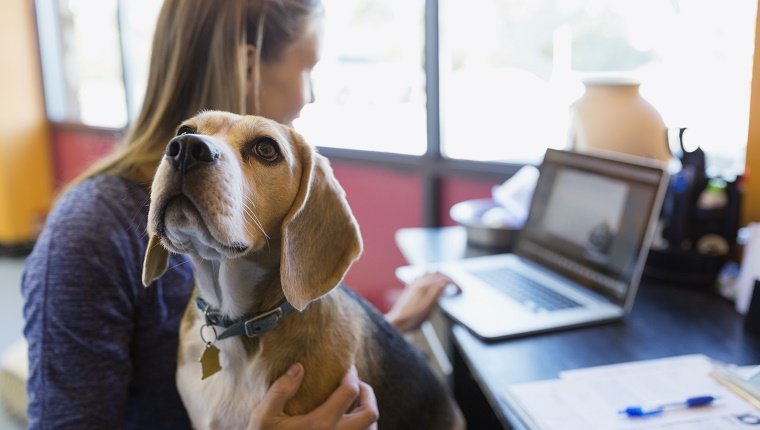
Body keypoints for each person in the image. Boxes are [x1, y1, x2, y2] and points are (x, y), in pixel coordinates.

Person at [21, 0, 454, 429]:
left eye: (262, 150)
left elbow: (297, 333)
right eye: (309, 70)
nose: (311, 95)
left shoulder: (250, 251)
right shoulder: (85, 236)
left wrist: (385, 339)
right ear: (247, 66)